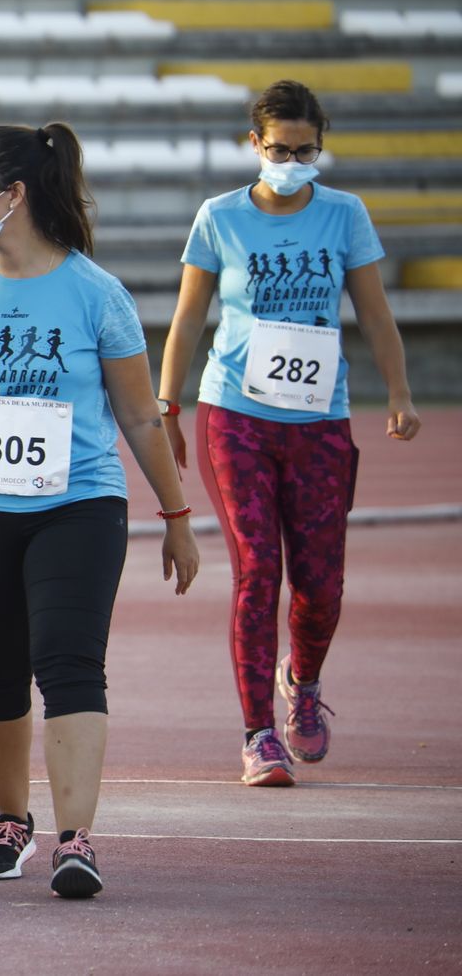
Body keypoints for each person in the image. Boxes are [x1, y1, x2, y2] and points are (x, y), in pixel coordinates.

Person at [0, 122, 198, 899]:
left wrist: (176, 517)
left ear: (13, 194)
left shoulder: (96, 293)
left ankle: (76, 841)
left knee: (68, 663)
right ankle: (11, 821)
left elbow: (140, 416)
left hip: (77, 507)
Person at [157, 80, 420, 788]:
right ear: (256, 144)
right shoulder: (220, 217)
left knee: (321, 584)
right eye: (279, 150)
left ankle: (302, 681)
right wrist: (167, 406)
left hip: (319, 419)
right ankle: (258, 735)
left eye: (305, 151)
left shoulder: (344, 215)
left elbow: (374, 311)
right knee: (257, 573)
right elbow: (188, 317)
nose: (292, 162)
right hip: (235, 415)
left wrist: (399, 392)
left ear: (320, 147)